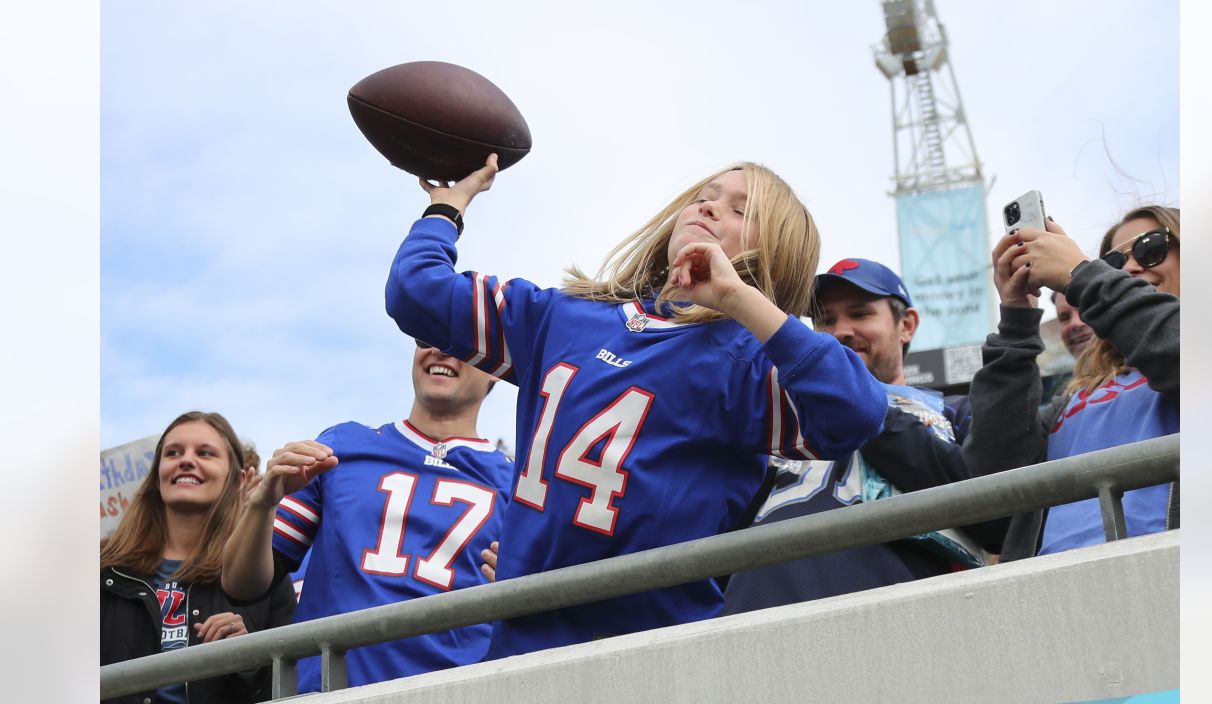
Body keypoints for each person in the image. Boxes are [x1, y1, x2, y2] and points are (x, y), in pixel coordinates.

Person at [385, 155, 887, 658]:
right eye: (705, 195)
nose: (711, 208)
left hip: (655, 650)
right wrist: (446, 208)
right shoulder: (560, 315)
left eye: (741, 210)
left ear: (778, 251)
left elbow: (857, 413)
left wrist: (738, 298)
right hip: (523, 638)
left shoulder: (746, 363)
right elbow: (415, 292)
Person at [720, 258, 1006, 614]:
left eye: (860, 314)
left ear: (907, 325)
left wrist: (853, 403)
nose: (841, 331)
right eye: (825, 320)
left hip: (909, 613)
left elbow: (998, 517)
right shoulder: (777, 414)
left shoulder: (955, 408)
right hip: (757, 612)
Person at [221, 343, 511, 691]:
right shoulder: (341, 446)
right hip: (332, 689)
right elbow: (242, 585)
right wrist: (262, 504)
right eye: (425, 338)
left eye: (460, 344)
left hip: (457, 691)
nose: (439, 351)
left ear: (496, 367)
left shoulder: (518, 483)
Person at [964, 206, 1180, 559]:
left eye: (1150, 248)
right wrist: (1017, 321)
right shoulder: (1074, 396)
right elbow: (994, 478)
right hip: (1053, 591)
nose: (1129, 267)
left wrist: (1082, 274)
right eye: (1113, 263)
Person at [101, 411, 296, 704]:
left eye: (205, 453)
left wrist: (251, 656)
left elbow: (293, 684)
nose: (187, 460)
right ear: (156, 477)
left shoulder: (265, 575)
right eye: (174, 453)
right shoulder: (103, 568)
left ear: (238, 480)